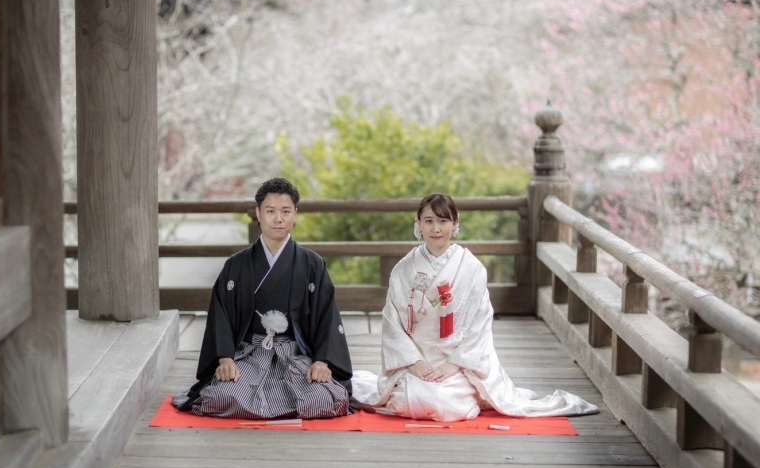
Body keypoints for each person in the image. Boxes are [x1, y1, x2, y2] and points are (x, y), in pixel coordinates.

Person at [351, 193, 598, 422]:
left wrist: (454, 364)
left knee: (447, 404)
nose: (436, 229)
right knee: (408, 399)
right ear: (418, 224)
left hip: (457, 362)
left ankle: (460, 385)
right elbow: (392, 322)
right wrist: (415, 362)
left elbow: (480, 324)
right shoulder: (404, 269)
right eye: (428, 221)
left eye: (443, 221)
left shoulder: (471, 268)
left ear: (455, 223)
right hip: (415, 362)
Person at [172, 178, 353, 419]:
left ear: (295, 214)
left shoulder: (312, 265)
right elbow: (221, 316)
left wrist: (321, 362)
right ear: (258, 214)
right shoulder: (236, 265)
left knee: (322, 398)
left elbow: (327, 318)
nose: (278, 218)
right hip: (250, 354)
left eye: (285, 211)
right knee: (222, 395)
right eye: (270, 211)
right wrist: (225, 358)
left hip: (295, 355)